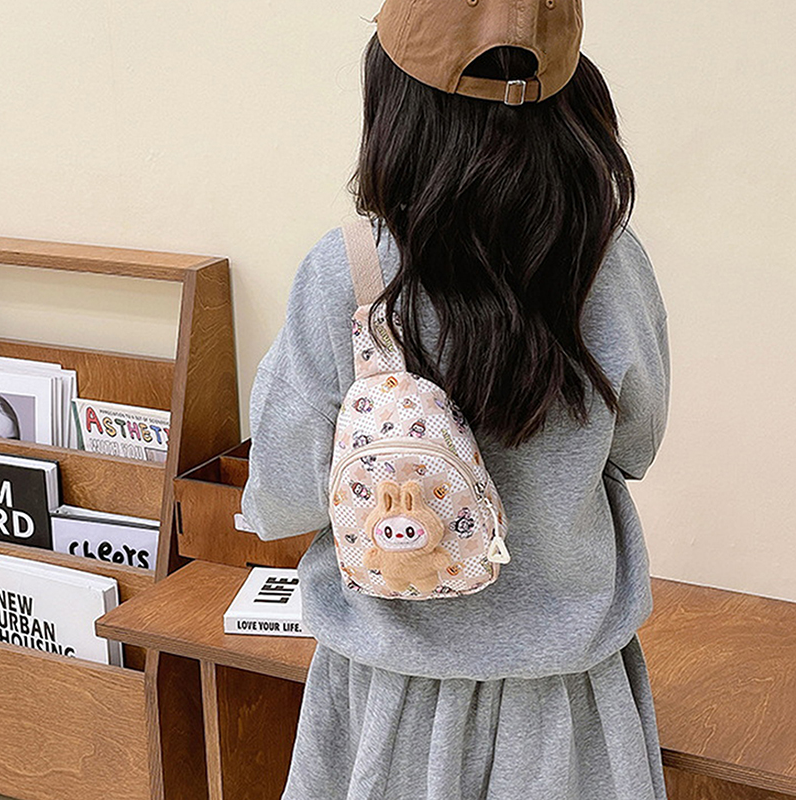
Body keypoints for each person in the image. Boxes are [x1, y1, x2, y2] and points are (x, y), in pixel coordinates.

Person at [241, 0, 671, 797]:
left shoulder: (348, 273)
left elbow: (283, 498)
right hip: (568, 700)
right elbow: (636, 446)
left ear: (394, 100)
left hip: (387, 699)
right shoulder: (611, 262)